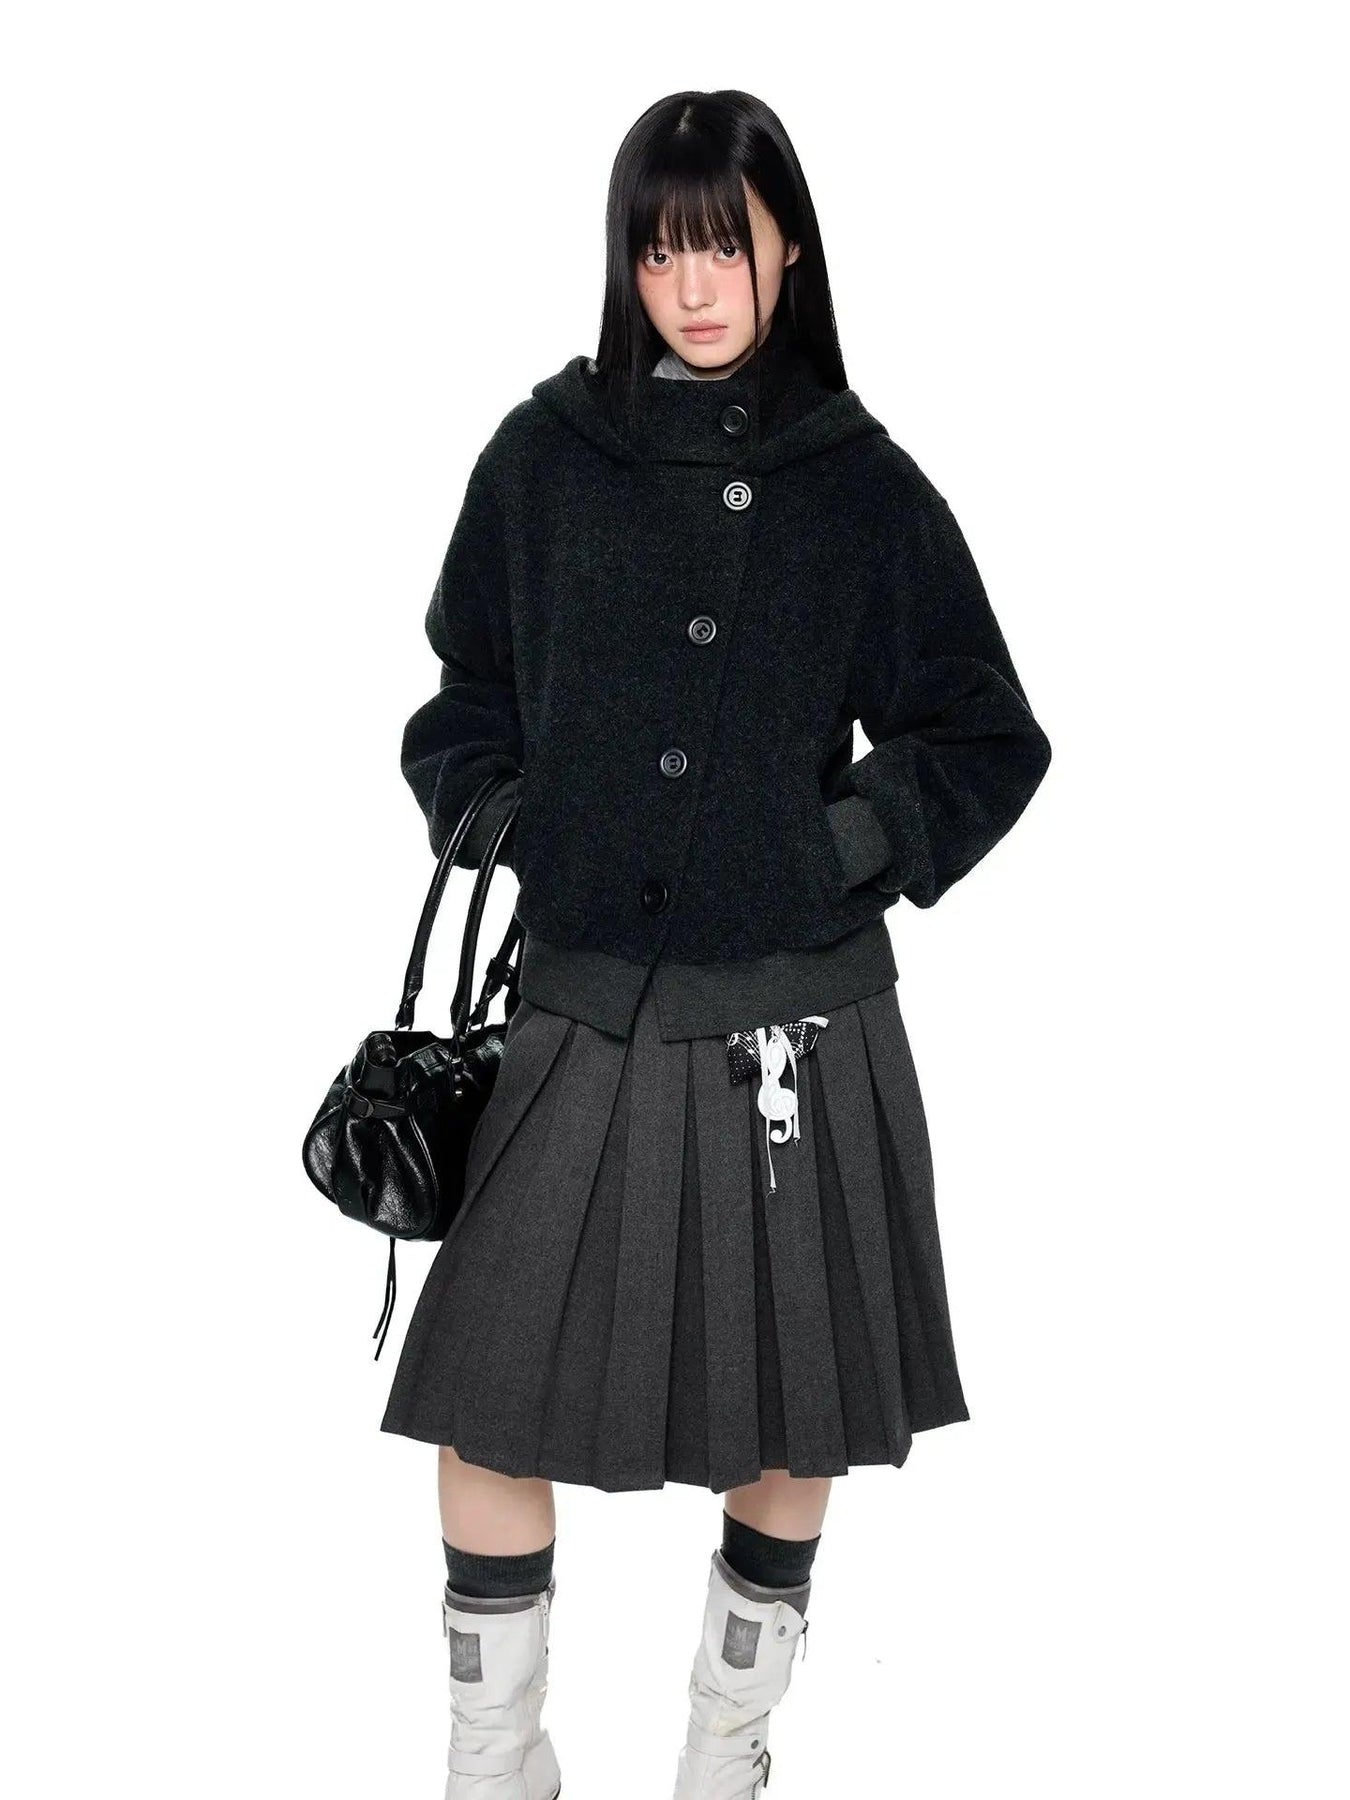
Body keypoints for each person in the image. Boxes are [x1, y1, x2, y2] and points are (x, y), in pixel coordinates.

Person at [379, 87, 1052, 1799]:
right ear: (623, 263)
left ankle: (723, 1756)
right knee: (483, 1400)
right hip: (583, 1003)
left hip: (792, 1019)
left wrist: (838, 847)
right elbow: (463, 698)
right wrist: (512, 819)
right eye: (659, 250)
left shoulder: (855, 483)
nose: (692, 286)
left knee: (789, 1408)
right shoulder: (543, 456)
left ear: (787, 250)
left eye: (723, 247)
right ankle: (495, 1765)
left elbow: (984, 732)